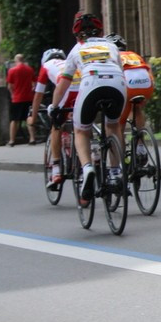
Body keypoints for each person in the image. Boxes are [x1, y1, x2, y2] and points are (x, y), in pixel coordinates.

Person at [49, 12, 127, 202]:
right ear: (100, 31)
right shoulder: (110, 46)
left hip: (91, 84)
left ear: (77, 35)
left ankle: (88, 168)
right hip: (117, 84)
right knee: (113, 127)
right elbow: (121, 70)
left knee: (81, 131)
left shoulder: (77, 49)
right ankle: (116, 172)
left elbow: (64, 83)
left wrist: (54, 105)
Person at [107, 33, 155, 165]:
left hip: (128, 84)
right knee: (137, 107)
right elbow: (148, 69)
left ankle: (121, 160)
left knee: (118, 125)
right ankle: (140, 146)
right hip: (146, 84)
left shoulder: (111, 56)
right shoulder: (134, 54)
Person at [29, 48, 68, 187]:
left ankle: (56, 168)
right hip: (84, 86)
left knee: (56, 126)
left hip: (66, 89)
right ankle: (93, 156)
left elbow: (38, 95)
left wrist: (33, 118)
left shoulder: (46, 67)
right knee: (82, 124)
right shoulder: (69, 62)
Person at [5, 54, 37, 146]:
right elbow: (35, 82)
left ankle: (12, 140)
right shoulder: (29, 69)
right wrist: (32, 89)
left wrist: (12, 94)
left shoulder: (12, 70)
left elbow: (10, 85)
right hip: (28, 97)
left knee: (14, 120)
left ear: (16, 61)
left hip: (17, 98)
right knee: (29, 118)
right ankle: (32, 138)